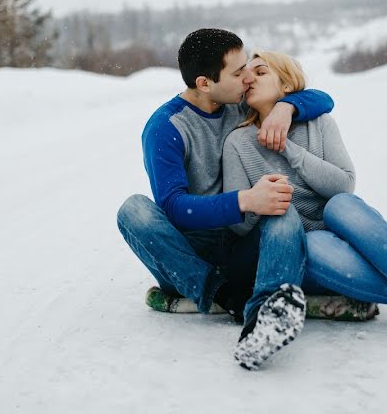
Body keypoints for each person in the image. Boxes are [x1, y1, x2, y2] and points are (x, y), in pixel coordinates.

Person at [222, 51, 387, 364]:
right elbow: (238, 225)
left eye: (260, 72)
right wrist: (257, 200)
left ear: (287, 84)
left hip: (342, 225)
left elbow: (344, 184)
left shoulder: (318, 124)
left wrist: (290, 150)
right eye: (246, 74)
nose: (249, 79)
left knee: (341, 204)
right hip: (303, 246)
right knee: (312, 243)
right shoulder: (237, 142)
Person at [116, 29, 335, 370]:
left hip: (239, 245)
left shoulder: (236, 103)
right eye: (237, 73)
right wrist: (244, 201)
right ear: (205, 83)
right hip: (189, 256)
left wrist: (287, 108)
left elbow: (322, 99)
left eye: (247, 66)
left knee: (282, 208)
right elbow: (174, 207)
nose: (248, 78)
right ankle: (223, 294)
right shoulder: (166, 127)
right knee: (133, 210)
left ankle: (263, 316)